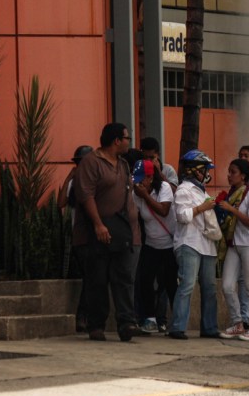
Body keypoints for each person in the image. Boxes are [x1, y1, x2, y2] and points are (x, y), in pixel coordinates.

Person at [73, 123, 141, 342]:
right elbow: (86, 196)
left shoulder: (122, 164)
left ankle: (126, 323)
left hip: (122, 231)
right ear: (116, 141)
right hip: (98, 231)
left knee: (123, 278)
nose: (129, 142)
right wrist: (98, 224)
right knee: (98, 279)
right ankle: (96, 325)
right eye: (127, 138)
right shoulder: (91, 162)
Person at [169, 149, 220, 340]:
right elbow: (182, 217)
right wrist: (202, 208)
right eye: (206, 169)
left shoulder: (200, 190)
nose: (208, 173)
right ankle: (177, 327)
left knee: (209, 288)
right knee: (187, 285)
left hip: (206, 244)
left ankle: (209, 327)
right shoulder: (183, 190)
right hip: (189, 243)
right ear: (196, 170)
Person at [216, 159, 249, 341]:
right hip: (234, 245)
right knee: (227, 285)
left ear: (243, 176)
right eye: (229, 171)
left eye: (233, 172)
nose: (229, 175)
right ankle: (238, 323)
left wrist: (231, 209)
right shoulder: (232, 194)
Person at [132, 159, 178, 334]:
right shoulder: (136, 193)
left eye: (140, 178)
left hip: (168, 244)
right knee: (146, 279)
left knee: (170, 282)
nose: (137, 182)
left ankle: (176, 321)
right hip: (151, 244)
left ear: (150, 178)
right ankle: (150, 319)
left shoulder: (164, 188)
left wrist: (145, 196)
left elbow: (163, 210)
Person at [57, 145, 93, 333]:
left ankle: (85, 317)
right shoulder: (74, 183)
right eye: (78, 163)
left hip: (92, 236)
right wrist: (69, 177)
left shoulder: (94, 181)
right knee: (90, 277)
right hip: (79, 237)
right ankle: (83, 317)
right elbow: (61, 203)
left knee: (91, 278)